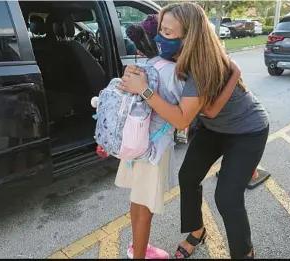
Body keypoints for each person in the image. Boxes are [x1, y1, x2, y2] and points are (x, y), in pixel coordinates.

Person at [120, 3, 269, 259]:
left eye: (167, 33)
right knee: (188, 177)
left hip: (247, 130)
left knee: (227, 197)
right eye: (160, 30)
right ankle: (197, 231)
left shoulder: (202, 66)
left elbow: (181, 119)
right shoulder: (174, 53)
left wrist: (143, 90)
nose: (160, 38)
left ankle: (244, 253)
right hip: (213, 129)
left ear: (189, 36)